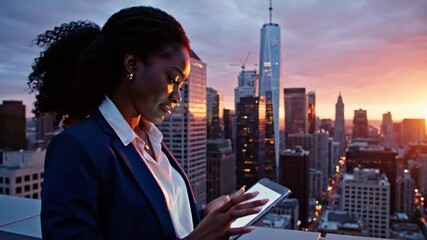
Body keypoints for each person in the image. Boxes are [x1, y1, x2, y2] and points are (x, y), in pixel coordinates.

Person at [27, 5, 268, 240]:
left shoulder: (152, 141)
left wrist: (205, 217)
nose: (177, 97)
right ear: (132, 64)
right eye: (172, 79)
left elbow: (164, 224)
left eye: (182, 86)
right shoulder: (77, 148)